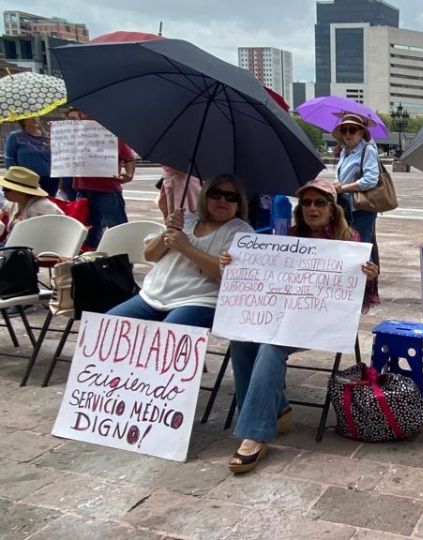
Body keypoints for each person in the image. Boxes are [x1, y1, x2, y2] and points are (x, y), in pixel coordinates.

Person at [219, 178, 379, 474]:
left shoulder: (349, 239)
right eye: (306, 203)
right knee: (241, 339)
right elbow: (262, 273)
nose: (312, 208)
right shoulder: (288, 236)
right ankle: (277, 409)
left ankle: (254, 433)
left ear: (333, 209)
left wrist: (369, 276)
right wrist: (234, 261)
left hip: (321, 320)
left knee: (271, 346)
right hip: (284, 314)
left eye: (320, 202)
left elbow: (362, 295)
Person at [106, 174, 252, 327]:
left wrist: (186, 247)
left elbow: (230, 275)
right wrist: (168, 231)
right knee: (108, 325)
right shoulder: (186, 219)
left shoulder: (241, 233)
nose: (222, 200)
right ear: (204, 196)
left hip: (200, 300)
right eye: (215, 194)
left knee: (166, 336)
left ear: (240, 204)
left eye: (230, 197)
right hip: (153, 295)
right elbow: (150, 255)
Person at [70, 109, 137, 248]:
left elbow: (129, 158)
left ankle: (123, 260)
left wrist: (129, 175)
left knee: (116, 228)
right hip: (82, 189)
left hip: (106, 189)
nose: (82, 117)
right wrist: (58, 134)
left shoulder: (111, 134)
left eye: (85, 114)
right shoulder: (75, 135)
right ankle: (92, 260)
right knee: (88, 229)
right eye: (80, 114)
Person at [331, 114, 379, 299]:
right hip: (345, 205)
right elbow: (341, 175)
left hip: (361, 208)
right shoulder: (345, 152)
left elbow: (370, 180)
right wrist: (335, 184)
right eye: (344, 130)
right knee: (347, 243)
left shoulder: (368, 151)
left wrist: (343, 187)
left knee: (362, 248)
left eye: (352, 130)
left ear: (361, 132)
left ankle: (364, 291)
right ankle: (348, 284)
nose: (348, 134)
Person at [0, 166, 63, 242]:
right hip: (15, 247)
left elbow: (44, 238)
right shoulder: (16, 203)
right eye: (3, 188)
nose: (3, 191)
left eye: (7, 189)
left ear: (22, 192)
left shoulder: (42, 208)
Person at [4, 117, 57, 196]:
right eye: (31, 117)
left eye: (37, 116)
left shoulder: (48, 137)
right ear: (22, 120)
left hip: (49, 180)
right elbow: (9, 161)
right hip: (26, 180)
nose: (34, 118)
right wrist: (16, 179)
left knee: (48, 205)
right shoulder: (15, 137)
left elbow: (57, 157)